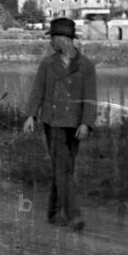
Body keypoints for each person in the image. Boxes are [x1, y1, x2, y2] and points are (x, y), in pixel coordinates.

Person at [23, 17, 97, 231]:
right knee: (63, 169)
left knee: (64, 169)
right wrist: (31, 115)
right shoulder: (47, 64)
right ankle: (74, 215)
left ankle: (54, 212)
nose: (50, 43)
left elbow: (90, 98)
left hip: (75, 124)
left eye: (53, 38)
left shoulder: (87, 66)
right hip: (53, 123)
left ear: (63, 39)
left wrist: (86, 123)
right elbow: (37, 90)